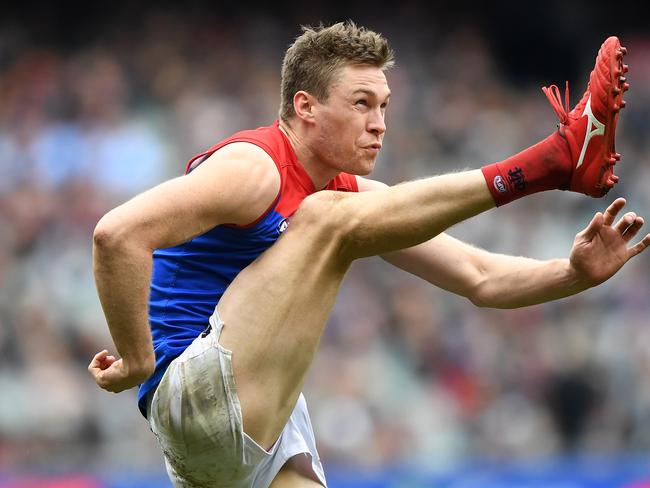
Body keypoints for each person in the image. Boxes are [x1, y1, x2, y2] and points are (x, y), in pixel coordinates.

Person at [89, 22, 646, 488]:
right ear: (304, 107)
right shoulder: (254, 168)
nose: (379, 123)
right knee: (328, 217)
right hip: (197, 400)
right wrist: (138, 358)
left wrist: (573, 274)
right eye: (361, 104)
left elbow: (480, 277)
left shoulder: (347, 203)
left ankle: (560, 161)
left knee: (336, 215)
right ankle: (552, 161)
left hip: (247, 438)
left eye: (383, 105)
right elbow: (116, 234)